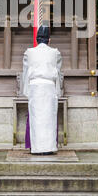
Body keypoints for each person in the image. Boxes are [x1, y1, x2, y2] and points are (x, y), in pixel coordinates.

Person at [22, 26, 63, 155]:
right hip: (49, 86)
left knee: (36, 118)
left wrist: (27, 91)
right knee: (49, 118)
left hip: (35, 86)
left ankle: (36, 148)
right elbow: (58, 71)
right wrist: (58, 91)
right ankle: (49, 148)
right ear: (49, 40)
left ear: (37, 39)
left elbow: (25, 72)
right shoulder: (55, 52)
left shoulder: (29, 52)